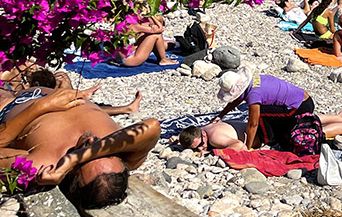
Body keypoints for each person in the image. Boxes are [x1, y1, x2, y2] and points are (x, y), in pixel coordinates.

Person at [0, 84, 160, 208]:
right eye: (103, 152)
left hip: (7, 105)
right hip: (40, 89)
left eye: (84, 160)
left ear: (70, 175)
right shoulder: (124, 150)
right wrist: (76, 158)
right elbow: (152, 126)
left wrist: (41, 106)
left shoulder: (43, 164)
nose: (93, 143)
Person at [211, 73, 342, 150]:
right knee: (307, 120)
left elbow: (252, 124)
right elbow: (238, 99)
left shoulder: (254, 95)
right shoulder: (255, 81)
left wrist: (249, 147)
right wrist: (220, 116)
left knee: (305, 130)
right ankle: (340, 117)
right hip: (302, 101)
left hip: (299, 107)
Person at [176, 120, 247, 154]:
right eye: (195, 149)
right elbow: (189, 134)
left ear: (203, 134)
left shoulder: (214, 138)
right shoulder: (201, 130)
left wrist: (211, 152)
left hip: (256, 136)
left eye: (201, 144)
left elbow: (240, 146)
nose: (200, 149)